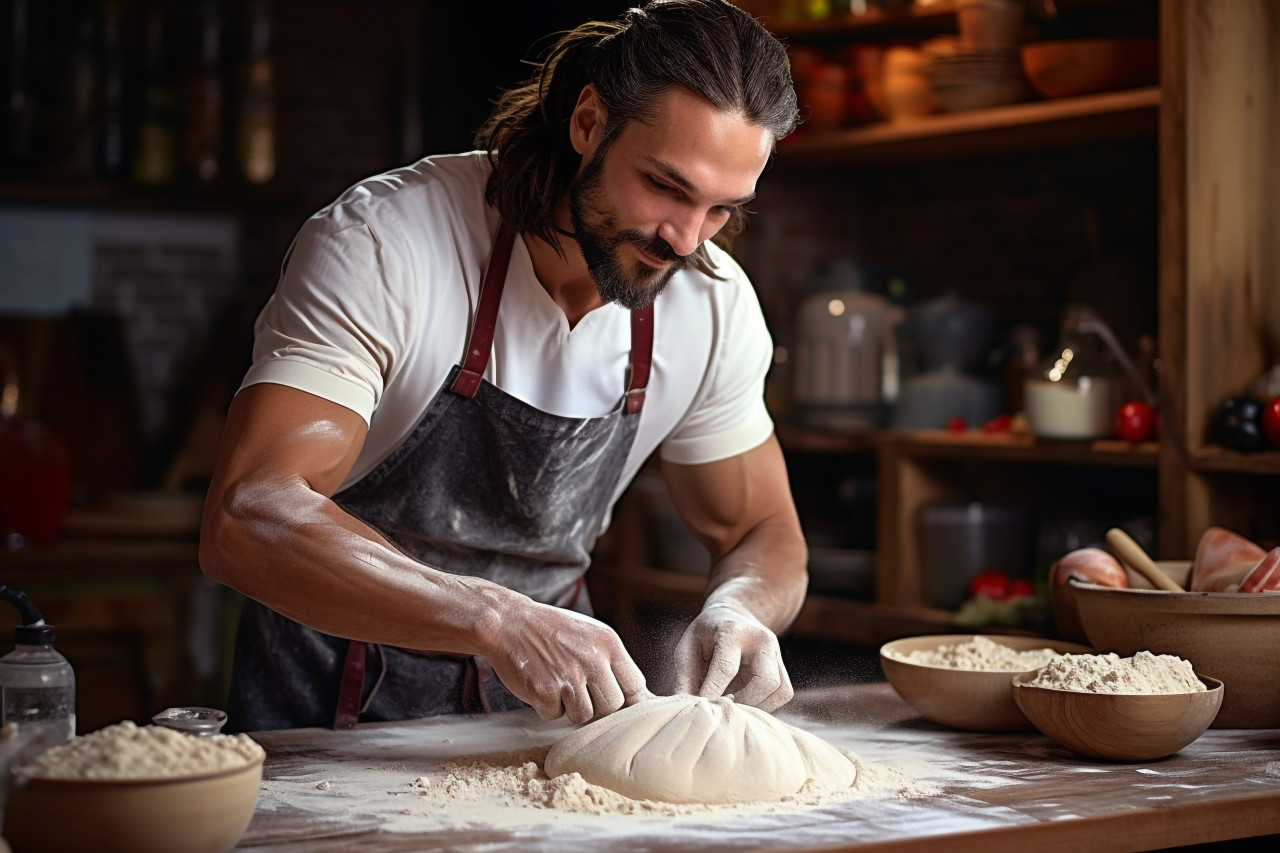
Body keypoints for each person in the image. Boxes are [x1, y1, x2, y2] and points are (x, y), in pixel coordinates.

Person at [200, 0, 808, 733]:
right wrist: (496, 617)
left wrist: (738, 605)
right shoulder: (386, 243)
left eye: (720, 210)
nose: (684, 239)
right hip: (323, 711)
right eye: (666, 186)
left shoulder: (712, 306)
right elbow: (248, 512)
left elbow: (762, 530)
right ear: (589, 124)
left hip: (544, 723)